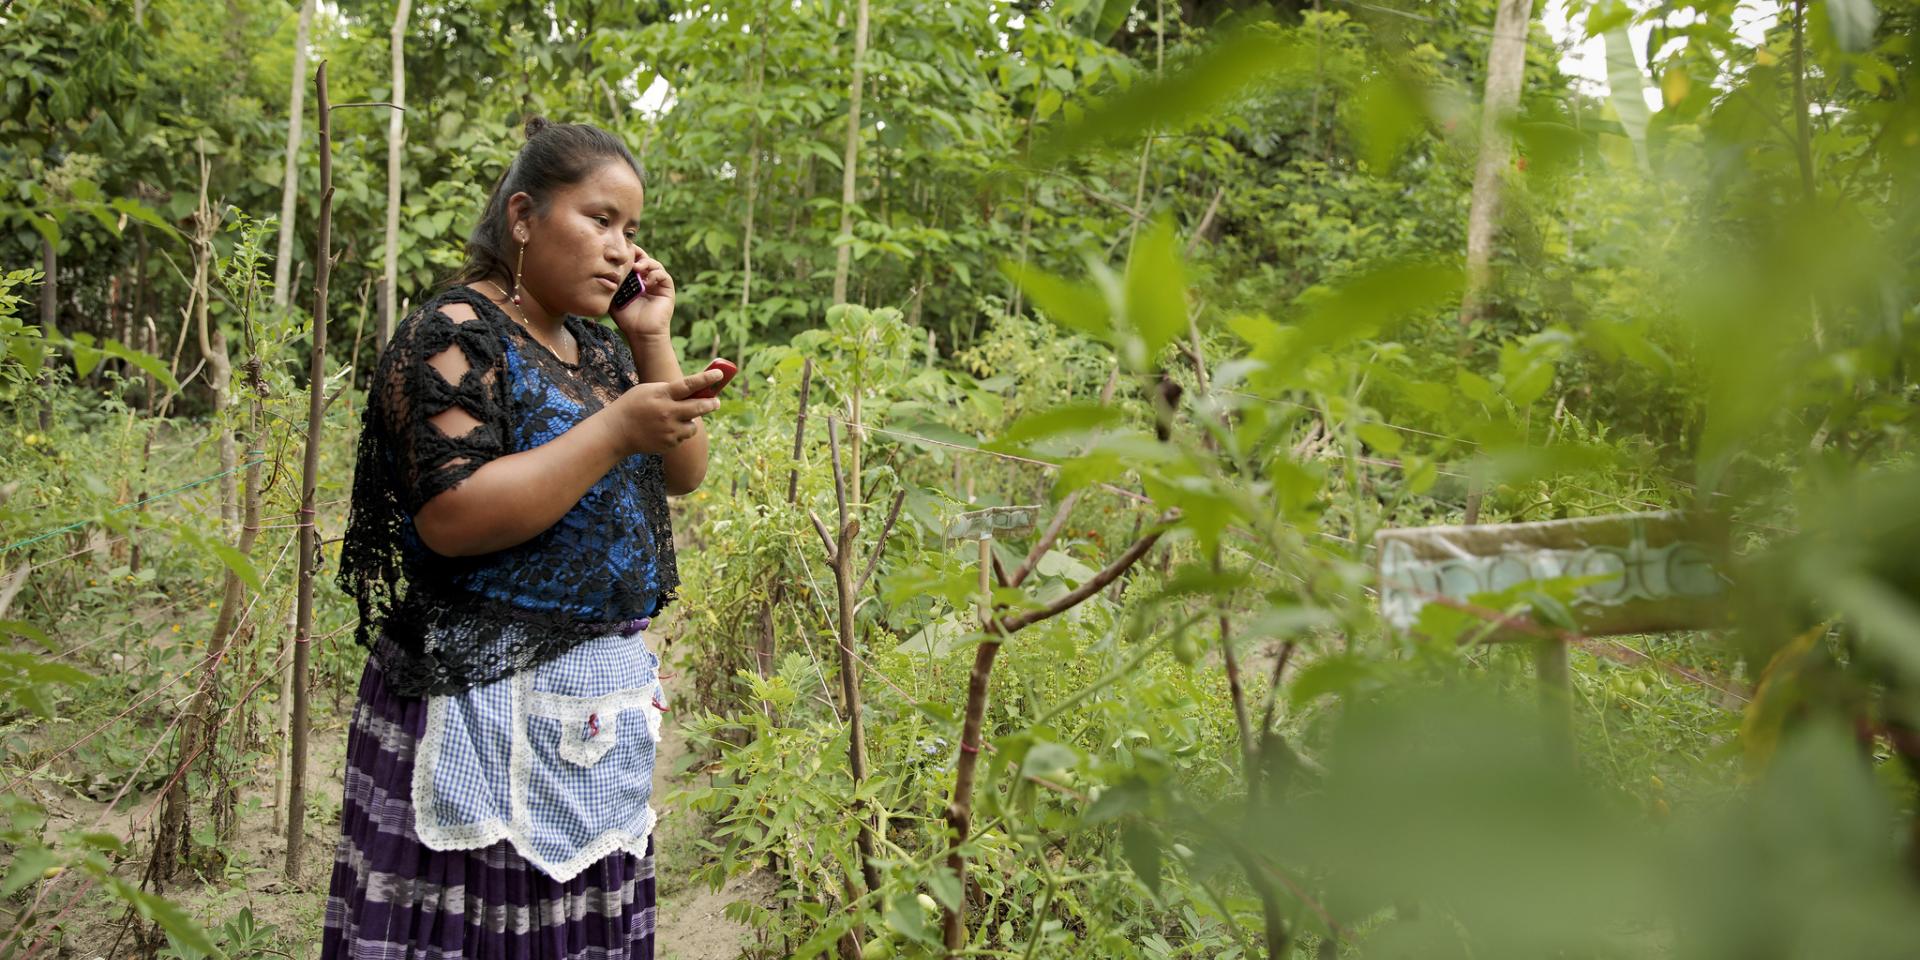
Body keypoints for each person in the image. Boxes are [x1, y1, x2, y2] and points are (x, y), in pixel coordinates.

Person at [324, 116, 722, 958]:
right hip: (481, 701)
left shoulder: (600, 350)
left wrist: (651, 338)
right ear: (522, 217)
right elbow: (452, 512)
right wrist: (613, 432)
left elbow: (684, 473)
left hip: (589, 709)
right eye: (599, 219)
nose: (621, 249)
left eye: (632, 231)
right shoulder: (457, 334)